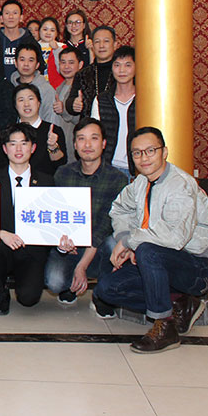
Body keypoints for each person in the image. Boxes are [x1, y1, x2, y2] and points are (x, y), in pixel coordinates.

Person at [94, 127, 208, 353]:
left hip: (195, 267)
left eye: (150, 151)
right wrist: (124, 236)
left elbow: (174, 237)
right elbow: (120, 209)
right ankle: (180, 305)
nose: (143, 158)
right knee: (106, 290)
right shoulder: (140, 183)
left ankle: (165, 326)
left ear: (164, 152)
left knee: (147, 250)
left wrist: (130, 242)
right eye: (137, 153)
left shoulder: (180, 185)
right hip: (156, 260)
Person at [45, 118, 127, 309]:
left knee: (114, 241)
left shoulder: (117, 179)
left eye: (94, 138)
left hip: (99, 246)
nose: (87, 145)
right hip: (70, 246)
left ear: (104, 143)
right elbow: (56, 215)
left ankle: (102, 293)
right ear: (75, 144)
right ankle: (71, 285)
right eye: (81, 139)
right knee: (54, 281)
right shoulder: (63, 174)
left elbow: (104, 226)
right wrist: (64, 242)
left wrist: (82, 266)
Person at [0, 123, 54, 315]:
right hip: (3, 246)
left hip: (32, 249)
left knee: (28, 299)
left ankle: (23, 280)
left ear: (33, 147)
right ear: (5, 149)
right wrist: (1, 233)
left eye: (24, 143)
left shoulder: (46, 182)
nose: (18, 149)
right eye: (13, 144)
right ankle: (1, 291)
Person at [98, 46, 136, 178]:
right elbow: (95, 135)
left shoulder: (145, 100)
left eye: (127, 65)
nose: (122, 70)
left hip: (138, 169)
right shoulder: (101, 100)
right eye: (117, 65)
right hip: (108, 169)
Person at [13, 83, 67, 175]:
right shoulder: (9, 132)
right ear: (15, 105)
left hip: (46, 182)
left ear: (39, 103)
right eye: (21, 100)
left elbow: (61, 164)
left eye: (31, 99)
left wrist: (53, 147)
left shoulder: (53, 130)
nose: (26, 104)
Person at [66, 25, 118, 118]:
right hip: (89, 124)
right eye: (97, 42)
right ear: (92, 45)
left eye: (106, 41)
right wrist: (74, 104)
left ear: (115, 45)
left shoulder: (122, 73)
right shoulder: (83, 74)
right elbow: (70, 101)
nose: (101, 46)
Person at [10, 43, 61, 126]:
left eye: (31, 60)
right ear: (15, 63)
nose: (26, 64)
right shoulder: (9, 86)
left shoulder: (47, 90)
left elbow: (51, 121)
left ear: (37, 65)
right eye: (22, 59)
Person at [0, 0, 39, 80]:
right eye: (7, 13)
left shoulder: (30, 42)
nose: (11, 17)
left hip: (24, 86)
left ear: (21, 18)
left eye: (15, 13)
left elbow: (39, 67)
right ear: (1, 18)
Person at [53, 47, 84, 162]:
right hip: (59, 146)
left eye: (71, 62)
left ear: (80, 65)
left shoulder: (83, 89)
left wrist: (64, 110)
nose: (66, 67)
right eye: (63, 62)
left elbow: (81, 120)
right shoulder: (58, 88)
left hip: (74, 148)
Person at [38, 16, 65, 88]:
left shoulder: (62, 47)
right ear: (39, 30)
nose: (48, 33)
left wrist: (56, 49)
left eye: (52, 30)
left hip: (57, 87)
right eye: (45, 29)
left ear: (57, 33)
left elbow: (64, 68)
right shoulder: (33, 46)